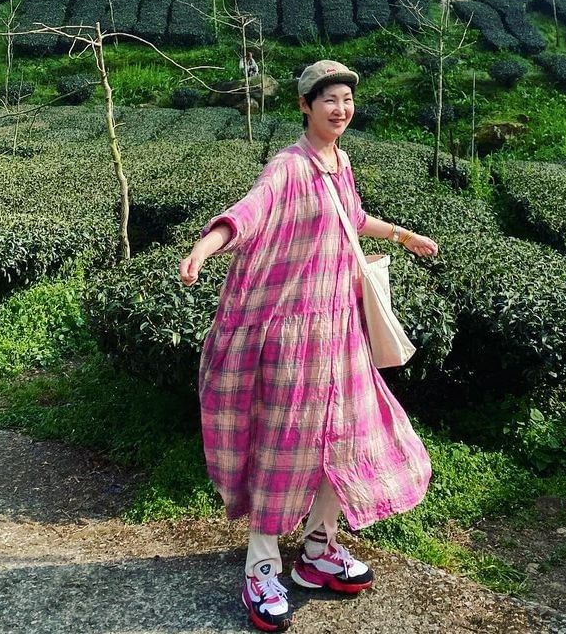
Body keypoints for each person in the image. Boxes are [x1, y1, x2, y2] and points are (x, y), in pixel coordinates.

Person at [179, 59, 438, 632]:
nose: (340, 109)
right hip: (294, 339)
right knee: (284, 448)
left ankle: (319, 550)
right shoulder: (288, 167)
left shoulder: (340, 162)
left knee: (340, 445)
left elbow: (353, 217)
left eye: (347, 99)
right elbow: (249, 212)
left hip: (341, 333)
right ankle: (262, 568)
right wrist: (204, 249)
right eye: (329, 100)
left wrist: (401, 234)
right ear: (305, 106)